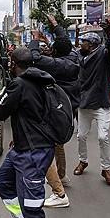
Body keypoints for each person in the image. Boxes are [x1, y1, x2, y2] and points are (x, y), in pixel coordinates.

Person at [0, 47, 56, 218]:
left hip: (34, 152)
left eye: (10, 61)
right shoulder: (38, 78)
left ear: (13, 62)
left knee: (32, 204)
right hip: (22, 148)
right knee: (3, 183)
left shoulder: (19, 84)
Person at [29, 15, 80, 208]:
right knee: (58, 144)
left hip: (59, 110)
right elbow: (64, 41)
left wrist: (35, 39)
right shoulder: (72, 56)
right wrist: (56, 26)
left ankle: (58, 190)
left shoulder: (60, 65)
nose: (49, 50)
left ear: (56, 52)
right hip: (67, 107)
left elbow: (34, 57)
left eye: (52, 49)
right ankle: (62, 175)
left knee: (49, 144)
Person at [74, 21, 110, 186]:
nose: (80, 44)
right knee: (81, 136)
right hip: (84, 103)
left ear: (91, 45)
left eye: (83, 41)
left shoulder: (103, 55)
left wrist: (108, 32)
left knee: (102, 137)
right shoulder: (81, 56)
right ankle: (83, 161)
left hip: (100, 103)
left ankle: (106, 168)